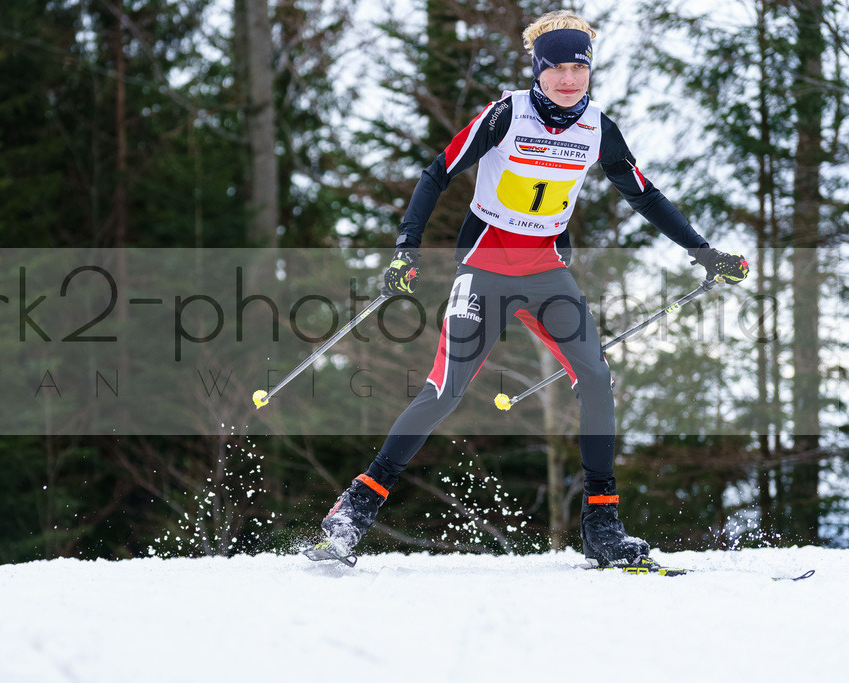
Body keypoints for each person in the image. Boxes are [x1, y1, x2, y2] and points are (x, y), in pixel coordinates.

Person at [317, 10, 749, 566]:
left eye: (579, 68)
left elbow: (644, 194)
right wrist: (406, 248)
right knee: (444, 392)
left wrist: (703, 252)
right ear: (537, 70)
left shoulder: (598, 128)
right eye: (557, 69)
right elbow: (437, 172)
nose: (569, 80)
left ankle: (603, 525)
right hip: (485, 267)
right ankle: (353, 509)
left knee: (596, 377)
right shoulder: (504, 116)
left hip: (546, 271)